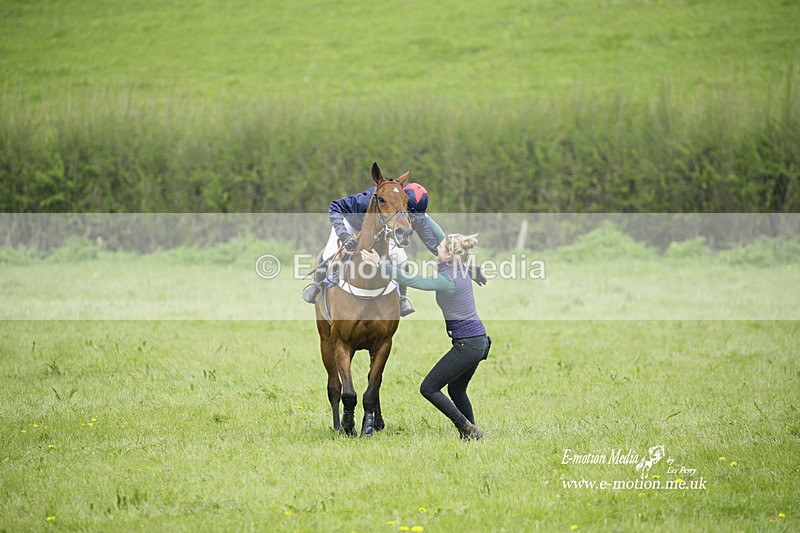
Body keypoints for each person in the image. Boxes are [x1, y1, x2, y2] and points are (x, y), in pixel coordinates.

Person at [361, 233, 491, 440]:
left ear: (449, 255)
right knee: (457, 390)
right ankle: (471, 433)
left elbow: (414, 280)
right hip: (478, 341)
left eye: (440, 247)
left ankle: (465, 427)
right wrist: (418, 214)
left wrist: (380, 264)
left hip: (468, 345)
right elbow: (437, 234)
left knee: (429, 388)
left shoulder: (449, 280)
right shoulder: (459, 266)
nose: (435, 247)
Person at [302, 180, 445, 317]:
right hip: (351, 223)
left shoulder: (412, 213)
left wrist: (451, 257)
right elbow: (335, 206)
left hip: (381, 229)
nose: (412, 220)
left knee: (402, 259)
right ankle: (317, 285)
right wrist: (343, 234)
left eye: (415, 217)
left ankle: (402, 298)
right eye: (411, 215)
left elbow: (433, 244)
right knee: (329, 253)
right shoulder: (365, 201)